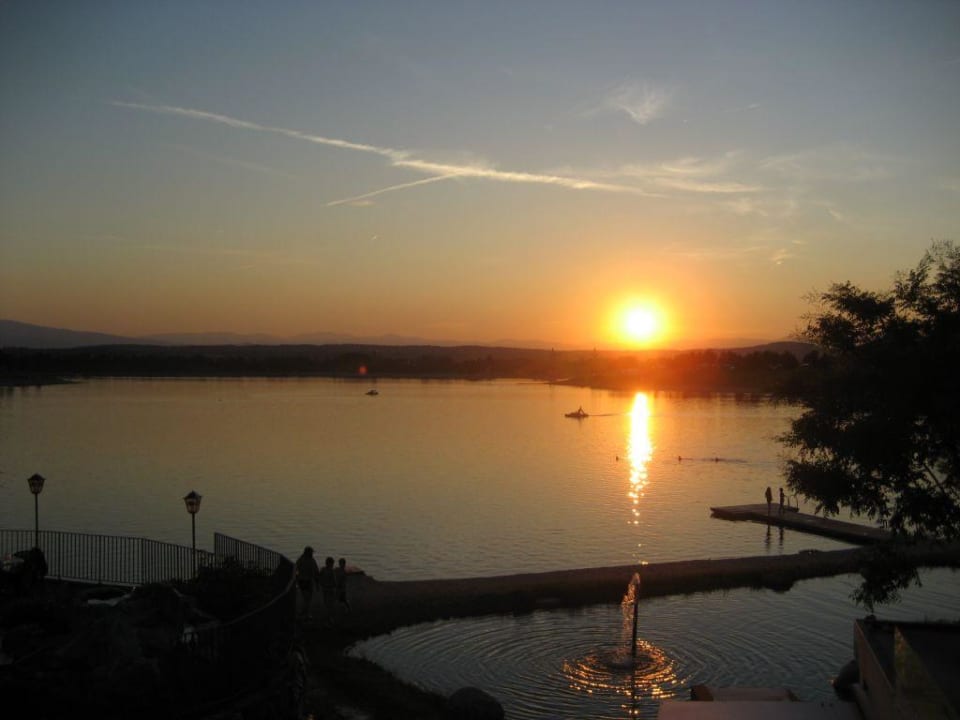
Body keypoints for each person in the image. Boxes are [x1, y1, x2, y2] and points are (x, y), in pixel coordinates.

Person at [294, 546, 321, 619]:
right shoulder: (310, 560)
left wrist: (296, 578)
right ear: (308, 552)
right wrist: (317, 584)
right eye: (311, 552)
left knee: (307, 598)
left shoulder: (301, 559)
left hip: (305, 581)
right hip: (305, 581)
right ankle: (306, 614)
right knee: (307, 599)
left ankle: (304, 612)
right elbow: (316, 572)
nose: (312, 553)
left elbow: (295, 568)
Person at [318, 555, 337, 620]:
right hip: (330, 588)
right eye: (332, 563)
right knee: (330, 602)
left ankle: (328, 614)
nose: (333, 565)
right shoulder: (331, 571)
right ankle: (329, 616)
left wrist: (321, 583)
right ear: (330, 563)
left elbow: (319, 577)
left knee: (326, 602)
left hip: (325, 588)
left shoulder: (323, 569)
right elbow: (334, 581)